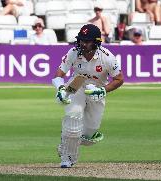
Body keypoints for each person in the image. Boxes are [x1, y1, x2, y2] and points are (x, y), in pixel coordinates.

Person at [51, 24, 124, 168]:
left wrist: (103, 91)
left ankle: (65, 143)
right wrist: (60, 89)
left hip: (96, 91)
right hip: (76, 87)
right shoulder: (73, 52)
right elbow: (59, 73)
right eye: (81, 40)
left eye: (87, 41)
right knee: (73, 119)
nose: (82, 43)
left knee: (89, 134)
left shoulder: (107, 57)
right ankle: (67, 158)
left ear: (96, 42)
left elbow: (119, 79)